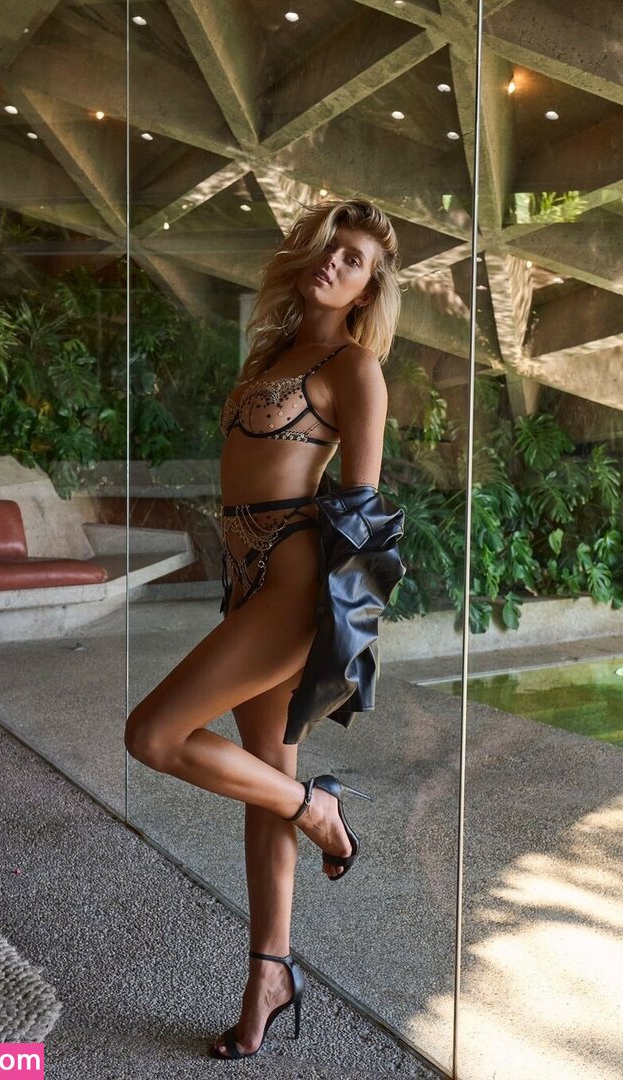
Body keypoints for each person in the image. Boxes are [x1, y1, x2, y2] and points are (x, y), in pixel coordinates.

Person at [124, 198, 402, 1059]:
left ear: (366, 291)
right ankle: (269, 977)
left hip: (291, 582)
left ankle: (318, 807)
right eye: (329, 246)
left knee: (153, 735)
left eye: (353, 260)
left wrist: (343, 637)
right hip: (243, 580)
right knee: (262, 782)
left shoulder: (355, 367)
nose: (333, 263)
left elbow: (361, 511)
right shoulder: (274, 353)